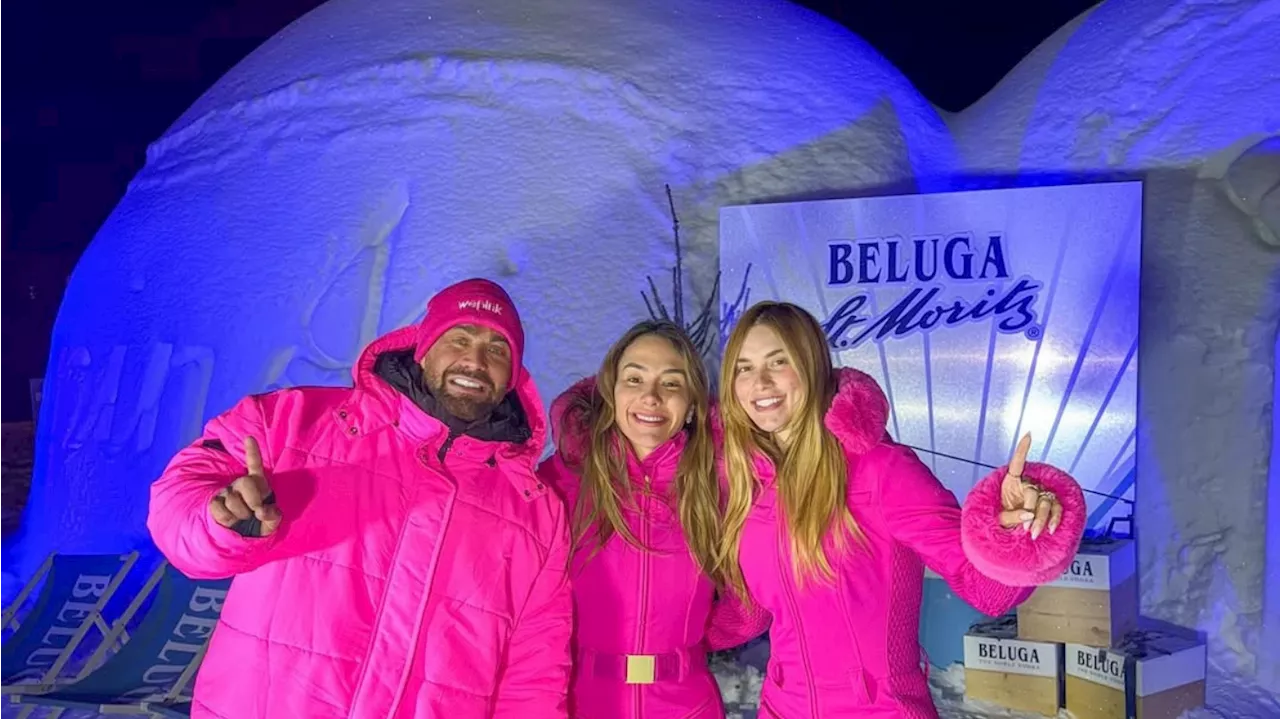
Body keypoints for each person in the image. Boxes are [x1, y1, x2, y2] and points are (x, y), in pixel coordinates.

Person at [147, 278, 572, 719]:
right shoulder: (292, 422)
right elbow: (178, 501)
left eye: (498, 350)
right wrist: (220, 521)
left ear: (512, 379)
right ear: (422, 348)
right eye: (458, 338)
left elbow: (534, 674)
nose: (476, 360)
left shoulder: (535, 511)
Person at [715, 301, 1086, 718]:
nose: (759, 381)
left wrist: (1015, 533)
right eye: (743, 368)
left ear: (812, 366)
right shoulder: (750, 485)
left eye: (777, 361)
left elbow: (986, 589)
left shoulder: (880, 469)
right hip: (782, 707)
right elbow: (746, 610)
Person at [537, 320, 769, 719]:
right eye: (634, 378)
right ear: (610, 391)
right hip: (582, 701)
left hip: (686, 702)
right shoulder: (560, 481)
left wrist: (700, 637)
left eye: (672, 384)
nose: (651, 397)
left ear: (693, 404)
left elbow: (757, 592)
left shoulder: (719, 485)